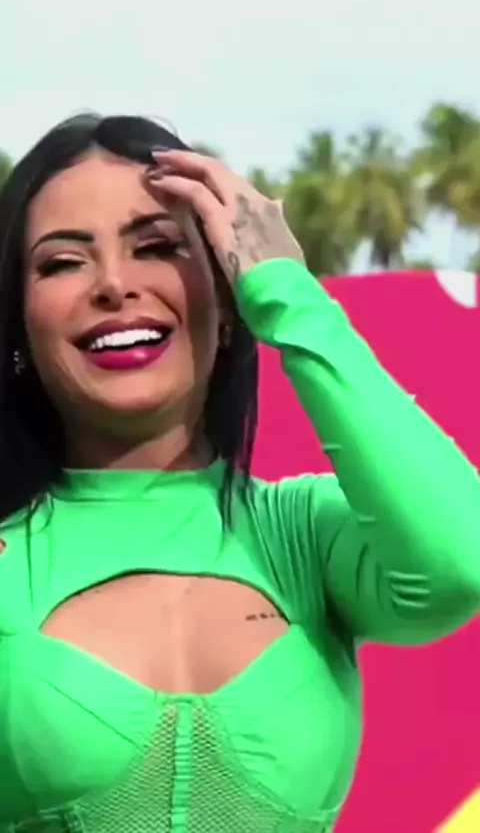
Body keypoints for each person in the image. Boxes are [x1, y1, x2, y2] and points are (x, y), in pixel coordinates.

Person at [0, 112, 479, 833]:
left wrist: (285, 292)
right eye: (64, 262)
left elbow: (457, 566)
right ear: (19, 327)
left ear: (226, 303)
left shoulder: (302, 536)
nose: (114, 284)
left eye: (156, 247)